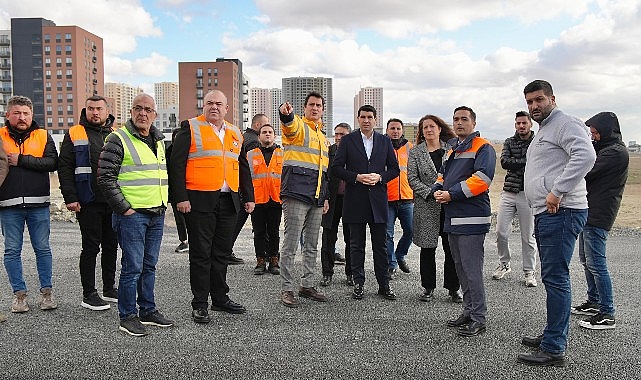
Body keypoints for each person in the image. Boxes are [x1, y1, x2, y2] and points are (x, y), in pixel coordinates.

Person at [517, 80, 595, 367]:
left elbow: (586, 156)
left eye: (539, 100)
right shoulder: (546, 129)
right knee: (553, 278)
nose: (534, 106)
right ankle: (552, 333)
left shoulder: (565, 122)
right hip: (548, 212)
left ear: (552, 98)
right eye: (529, 102)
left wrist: (557, 190)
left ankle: (553, 348)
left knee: (556, 278)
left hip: (560, 211)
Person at [169, 90, 255, 324]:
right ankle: (199, 304)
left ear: (227, 108)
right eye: (209, 103)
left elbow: (242, 166)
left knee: (221, 253)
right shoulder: (191, 128)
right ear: (203, 106)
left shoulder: (236, 132)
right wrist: (180, 198)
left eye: (219, 104)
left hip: (229, 201)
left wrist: (249, 196)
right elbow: (176, 165)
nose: (214, 107)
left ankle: (220, 298)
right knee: (200, 254)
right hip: (199, 200)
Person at [97, 93, 175, 336]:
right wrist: (124, 209)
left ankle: (147, 310)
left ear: (154, 114)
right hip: (132, 215)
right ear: (131, 112)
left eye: (148, 110)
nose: (143, 113)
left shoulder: (159, 141)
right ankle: (127, 316)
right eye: (138, 108)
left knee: (149, 265)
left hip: (156, 213)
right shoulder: (118, 139)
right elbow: (105, 177)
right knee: (132, 267)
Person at [433, 106, 496, 337]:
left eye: (464, 119)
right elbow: (443, 175)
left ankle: (479, 318)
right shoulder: (453, 149)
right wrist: (437, 189)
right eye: (456, 119)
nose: (459, 123)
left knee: (472, 270)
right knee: (460, 268)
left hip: (472, 217)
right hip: (453, 217)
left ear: (473, 123)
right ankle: (468, 311)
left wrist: (451, 194)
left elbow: (481, 180)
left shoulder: (484, 147)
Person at [332, 105, 400, 301]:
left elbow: (394, 169)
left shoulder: (385, 141)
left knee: (381, 246)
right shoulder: (348, 140)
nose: (366, 120)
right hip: (355, 200)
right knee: (356, 246)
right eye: (363, 117)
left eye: (370, 117)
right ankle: (358, 283)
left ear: (375, 120)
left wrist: (380, 177)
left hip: (378, 201)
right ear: (358, 119)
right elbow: (336, 168)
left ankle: (383, 285)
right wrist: (356, 177)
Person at [58, 95, 118, 311]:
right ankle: (89, 293)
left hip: (112, 201)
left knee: (112, 246)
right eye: (91, 108)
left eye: (99, 109)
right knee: (91, 247)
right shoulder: (74, 133)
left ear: (106, 111)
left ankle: (109, 288)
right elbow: (64, 168)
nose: (95, 112)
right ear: (85, 110)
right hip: (88, 200)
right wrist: (70, 198)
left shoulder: (115, 134)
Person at [0, 95, 59, 313]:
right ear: (8, 115)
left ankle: (47, 293)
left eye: (25, 113)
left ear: (32, 115)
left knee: (42, 249)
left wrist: (21, 160)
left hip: (39, 204)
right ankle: (19, 296)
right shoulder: (0, 136)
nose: (21, 117)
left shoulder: (43, 136)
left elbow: (52, 162)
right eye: (16, 113)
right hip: (8, 205)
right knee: (11, 251)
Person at [572, 112, 628, 330]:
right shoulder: (606, 148)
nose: (593, 136)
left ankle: (607, 313)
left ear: (606, 131)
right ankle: (594, 301)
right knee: (587, 260)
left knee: (596, 262)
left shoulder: (615, 152)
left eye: (595, 132)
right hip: (590, 211)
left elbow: (586, 169)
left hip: (600, 213)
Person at [277, 92, 330, 308]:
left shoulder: (323, 138)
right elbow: (289, 125)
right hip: (296, 193)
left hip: (316, 196)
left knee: (311, 244)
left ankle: (307, 285)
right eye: (311, 105)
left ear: (323, 109)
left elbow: (323, 172)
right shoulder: (299, 126)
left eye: (318, 105)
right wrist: (286, 114)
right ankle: (287, 289)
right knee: (291, 243)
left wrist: (324, 197)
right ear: (304, 108)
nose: (315, 108)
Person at [408, 114, 462, 303]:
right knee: (428, 249)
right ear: (421, 132)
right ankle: (428, 287)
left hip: (449, 205)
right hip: (427, 206)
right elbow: (412, 179)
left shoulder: (452, 149)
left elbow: (459, 174)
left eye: (432, 126)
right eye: (425, 128)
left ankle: (454, 288)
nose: (429, 130)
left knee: (451, 249)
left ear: (439, 128)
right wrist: (432, 193)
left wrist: (448, 194)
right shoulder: (416, 152)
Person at [492, 111, 538, 287]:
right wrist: (526, 162)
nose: (521, 126)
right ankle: (504, 264)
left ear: (530, 124)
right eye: (518, 123)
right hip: (509, 192)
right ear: (515, 125)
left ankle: (529, 271)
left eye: (524, 123)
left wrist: (517, 161)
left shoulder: (537, 141)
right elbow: (505, 162)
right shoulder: (509, 142)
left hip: (528, 193)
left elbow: (537, 162)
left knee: (528, 236)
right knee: (501, 232)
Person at [229, 113, 270, 265]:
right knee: (258, 224)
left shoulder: (243, 136)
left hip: (240, 187)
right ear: (258, 125)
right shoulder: (254, 142)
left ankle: (226, 249)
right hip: (252, 189)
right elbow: (255, 168)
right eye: (265, 126)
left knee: (238, 221)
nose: (267, 129)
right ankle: (265, 253)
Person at [320, 122, 352, 287]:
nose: (339, 137)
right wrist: (324, 197)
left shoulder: (355, 152)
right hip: (330, 200)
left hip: (351, 201)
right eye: (337, 134)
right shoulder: (329, 151)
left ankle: (351, 274)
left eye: (343, 134)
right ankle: (327, 273)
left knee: (352, 238)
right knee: (328, 237)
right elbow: (324, 177)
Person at [247, 124, 282, 275]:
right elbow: (246, 178)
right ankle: (260, 260)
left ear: (274, 136)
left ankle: (274, 260)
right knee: (259, 232)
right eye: (264, 132)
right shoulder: (250, 154)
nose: (267, 134)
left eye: (270, 132)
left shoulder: (283, 154)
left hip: (276, 199)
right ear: (259, 136)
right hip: (257, 199)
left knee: (274, 232)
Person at [385, 118, 414, 278]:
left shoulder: (410, 148)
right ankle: (391, 264)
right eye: (392, 128)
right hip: (387, 199)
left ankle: (400, 255)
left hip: (407, 199)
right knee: (387, 234)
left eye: (398, 128)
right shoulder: (381, 146)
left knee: (410, 231)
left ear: (402, 130)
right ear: (387, 130)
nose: (395, 131)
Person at [166, 128, 189, 253]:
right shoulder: (169, 152)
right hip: (174, 190)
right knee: (179, 218)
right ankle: (184, 241)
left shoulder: (191, 151)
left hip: (191, 189)